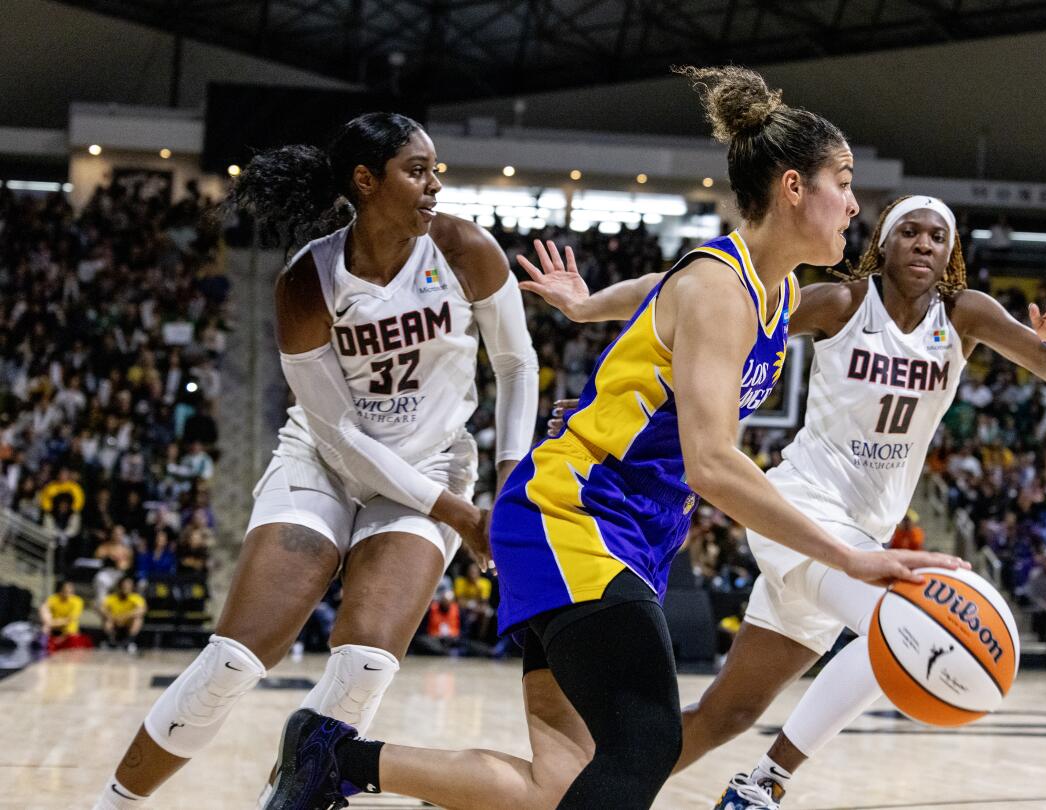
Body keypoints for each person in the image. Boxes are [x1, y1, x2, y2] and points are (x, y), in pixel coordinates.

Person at [263, 65, 964, 810]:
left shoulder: (772, 288)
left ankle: (334, 756)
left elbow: (660, 287)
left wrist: (589, 303)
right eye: (843, 182)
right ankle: (331, 757)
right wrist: (851, 557)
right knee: (646, 742)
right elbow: (715, 465)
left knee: (560, 784)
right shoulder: (721, 290)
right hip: (576, 517)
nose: (855, 205)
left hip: (619, 529)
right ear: (793, 187)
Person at [512, 191, 1046, 809]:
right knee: (901, 625)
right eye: (909, 232)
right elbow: (691, 291)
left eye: (936, 236)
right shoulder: (842, 301)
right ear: (884, 243)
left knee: (728, 712)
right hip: (800, 506)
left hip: (865, 533)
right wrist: (587, 309)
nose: (923, 244)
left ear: (950, 251)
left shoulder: (966, 315)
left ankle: (570, 798)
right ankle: (765, 786)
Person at [92, 112, 539, 810]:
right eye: (416, 171)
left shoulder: (462, 248)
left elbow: (516, 364)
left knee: (364, 664)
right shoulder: (307, 282)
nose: (434, 186)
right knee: (232, 663)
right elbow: (338, 434)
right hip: (327, 462)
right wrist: (455, 512)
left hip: (433, 461)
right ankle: (111, 806)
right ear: (366, 181)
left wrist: (510, 473)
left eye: (435, 170)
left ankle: (290, 802)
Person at [100, 576, 146, 653]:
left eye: (128, 586)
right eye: (124, 585)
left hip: (128, 622)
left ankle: (129, 642)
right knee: (107, 620)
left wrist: (125, 616)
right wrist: (111, 616)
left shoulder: (136, 598)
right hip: (114, 621)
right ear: (120, 586)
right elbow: (102, 609)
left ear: (132, 587)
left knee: (138, 619)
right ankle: (111, 642)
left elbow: (141, 610)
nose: (126, 587)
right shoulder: (111, 597)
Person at [39, 581, 88, 653]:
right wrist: (45, 615)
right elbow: (44, 607)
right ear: (60, 591)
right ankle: (42, 646)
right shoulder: (54, 598)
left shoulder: (77, 601)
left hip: (68, 632)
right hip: (53, 628)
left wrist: (51, 623)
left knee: (71, 633)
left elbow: (69, 619)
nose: (68, 594)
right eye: (66, 591)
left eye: (70, 592)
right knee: (45, 625)